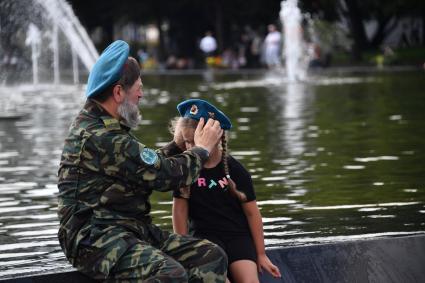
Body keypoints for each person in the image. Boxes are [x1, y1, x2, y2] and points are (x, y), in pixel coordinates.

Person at [57, 40, 228, 282]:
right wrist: (201, 149)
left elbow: (144, 167)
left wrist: (177, 145)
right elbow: (165, 177)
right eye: (138, 87)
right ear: (118, 92)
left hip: (128, 228)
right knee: (170, 274)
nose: (141, 94)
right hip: (93, 239)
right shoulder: (103, 136)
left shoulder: (104, 125)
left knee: (210, 256)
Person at [170, 99, 282, 283]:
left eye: (194, 142)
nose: (190, 148)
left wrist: (261, 254)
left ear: (215, 137)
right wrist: (182, 251)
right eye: (187, 143)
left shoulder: (236, 170)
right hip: (204, 237)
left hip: (237, 236)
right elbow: (179, 212)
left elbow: (252, 213)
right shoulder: (185, 170)